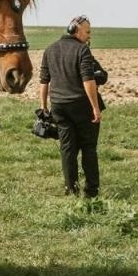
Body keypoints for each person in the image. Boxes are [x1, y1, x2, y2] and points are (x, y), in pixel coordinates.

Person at [38, 15, 107, 197]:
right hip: (82, 105)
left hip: (59, 106)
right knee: (89, 148)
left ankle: (71, 189)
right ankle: (91, 191)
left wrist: (44, 107)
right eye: (87, 32)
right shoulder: (82, 50)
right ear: (75, 30)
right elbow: (88, 80)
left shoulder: (50, 50)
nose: (89, 36)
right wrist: (95, 107)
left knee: (67, 148)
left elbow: (44, 82)